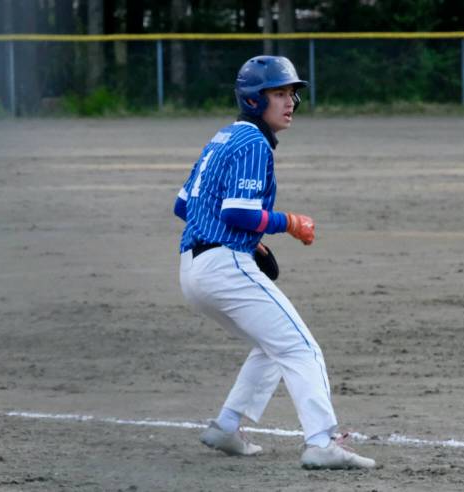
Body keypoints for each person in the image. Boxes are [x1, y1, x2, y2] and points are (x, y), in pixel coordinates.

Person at [173, 56, 376, 470]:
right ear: (252, 100)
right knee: (302, 349)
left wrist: (253, 242)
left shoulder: (223, 137)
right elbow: (238, 213)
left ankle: (226, 426)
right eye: (279, 94)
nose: (290, 102)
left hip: (195, 269)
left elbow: (184, 205)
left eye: (291, 94)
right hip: (223, 266)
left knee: (274, 345)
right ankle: (321, 442)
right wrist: (289, 223)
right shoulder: (253, 143)